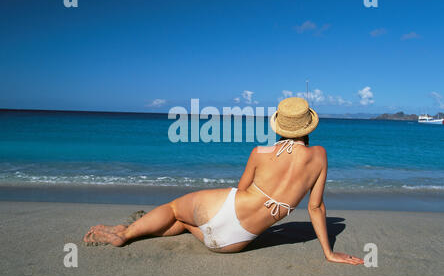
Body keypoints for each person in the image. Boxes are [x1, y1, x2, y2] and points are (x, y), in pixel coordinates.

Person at [84, 97, 364, 265]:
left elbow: (241, 190)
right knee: (183, 223)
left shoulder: (260, 152)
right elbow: (316, 208)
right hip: (231, 243)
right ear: (308, 127)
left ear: (280, 126)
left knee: (173, 210)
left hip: (223, 209)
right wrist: (329, 253)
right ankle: (134, 229)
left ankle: (126, 234)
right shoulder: (319, 156)